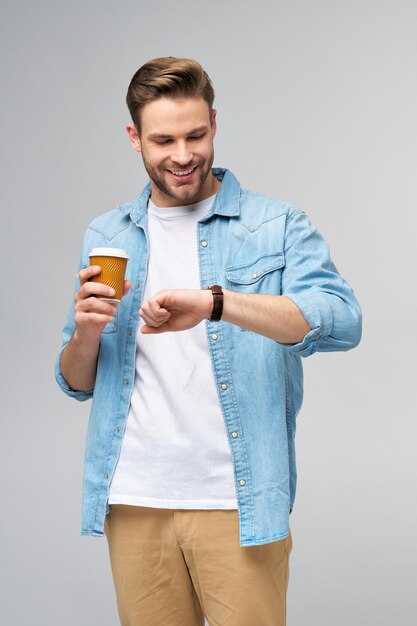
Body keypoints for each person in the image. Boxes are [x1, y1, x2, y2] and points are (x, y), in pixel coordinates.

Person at [56, 56, 362, 626]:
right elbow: (76, 382)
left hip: (235, 499)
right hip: (135, 499)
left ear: (214, 124)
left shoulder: (275, 225)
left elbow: (341, 321)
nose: (182, 155)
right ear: (134, 138)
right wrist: (88, 331)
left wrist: (216, 303)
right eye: (163, 139)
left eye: (195, 135)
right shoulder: (108, 236)